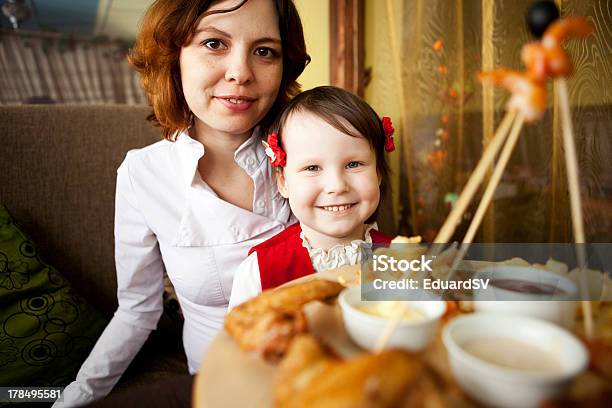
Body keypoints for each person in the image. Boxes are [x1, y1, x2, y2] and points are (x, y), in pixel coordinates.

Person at [55, 0, 309, 406]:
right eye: (214, 43)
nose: (241, 72)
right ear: (174, 58)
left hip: (317, 371)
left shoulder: (310, 148)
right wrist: (75, 397)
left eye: (264, 51)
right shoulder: (143, 175)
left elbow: (364, 255)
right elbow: (138, 311)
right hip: (215, 386)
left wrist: (440, 287)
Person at [229, 86, 395, 308]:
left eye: (353, 164)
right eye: (313, 167)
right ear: (283, 182)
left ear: (379, 174)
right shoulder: (259, 271)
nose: (336, 186)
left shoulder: (402, 260)